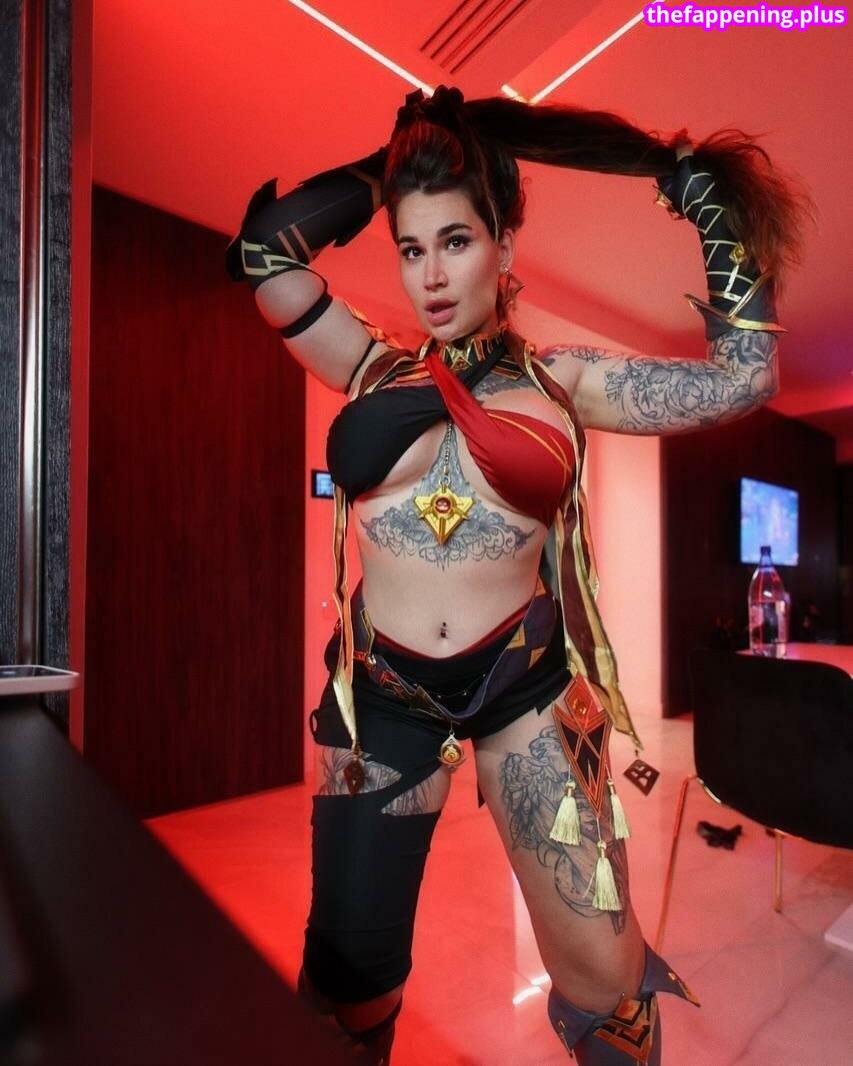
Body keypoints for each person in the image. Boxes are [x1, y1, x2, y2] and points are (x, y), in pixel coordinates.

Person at [225, 85, 810, 1064]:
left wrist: (703, 201)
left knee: (607, 988)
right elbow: (265, 258)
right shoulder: (368, 366)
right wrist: (391, 166)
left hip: (522, 693)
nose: (429, 275)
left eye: (454, 241)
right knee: (349, 990)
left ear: (503, 245)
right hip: (383, 698)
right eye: (411, 248)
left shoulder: (562, 382)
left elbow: (744, 378)